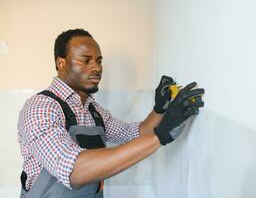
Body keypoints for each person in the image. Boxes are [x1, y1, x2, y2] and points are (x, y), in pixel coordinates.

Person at [17, 28, 204, 198]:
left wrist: (159, 109)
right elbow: (74, 170)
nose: (96, 68)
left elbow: (135, 133)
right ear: (61, 63)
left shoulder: (93, 110)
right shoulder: (40, 108)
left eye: (99, 61)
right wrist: (160, 135)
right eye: (85, 60)